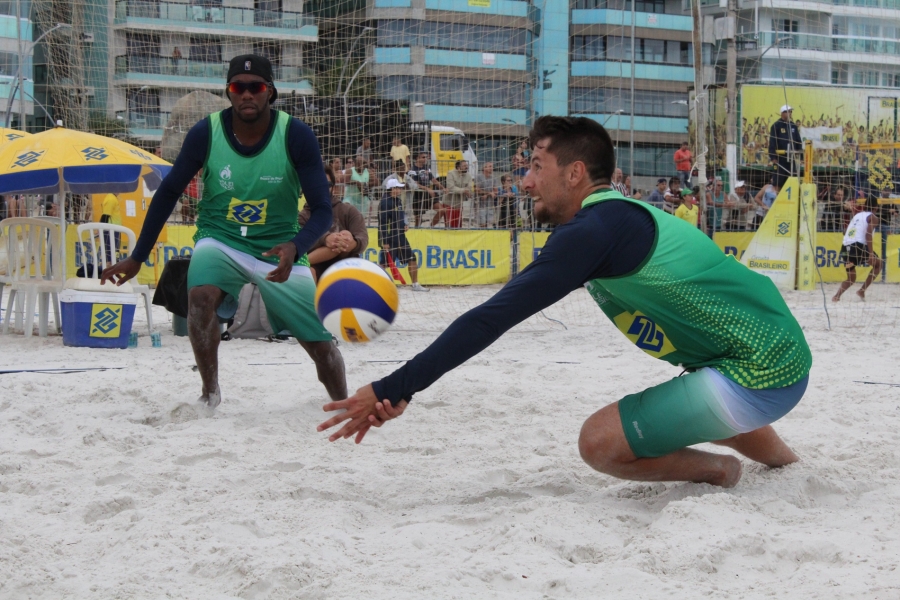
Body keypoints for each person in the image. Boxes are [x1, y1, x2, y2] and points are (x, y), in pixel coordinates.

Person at [318, 116, 812, 490]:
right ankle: (786, 469)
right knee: (700, 407)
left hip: (756, 371)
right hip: (767, 356)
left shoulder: (594, 231)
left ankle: (721, 472)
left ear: (575, 173)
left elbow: (491, 318)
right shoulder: (615, 219)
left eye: (536, 166)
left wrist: (394, 385)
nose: (525, 180)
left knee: (598, 444)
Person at [100, 54, 346, 408]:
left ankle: (344, 403)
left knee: (320, 344)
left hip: (278, 245)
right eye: (238, 87)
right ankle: (210, 393)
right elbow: (168, 193)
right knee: (199, 298)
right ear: (229, 93)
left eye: (255, 87)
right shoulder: (206, 132)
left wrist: (296, 245)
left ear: (270, 93)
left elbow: (323, 210)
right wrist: (138, 257)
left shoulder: (296, 134)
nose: (247, 94)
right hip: (220, 239)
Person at [298, 164, 368, 281]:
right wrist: (326, 239)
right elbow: (300, 242)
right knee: (308, 272)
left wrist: (352, 242)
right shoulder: (302, 216)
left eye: (326, 185)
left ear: (333, 188)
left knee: (345, 236)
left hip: (347, 264)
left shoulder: (348, 210)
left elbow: (363, 238)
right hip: (316, 265)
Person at [378, 180, 428, 292]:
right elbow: (383, 223)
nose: (400, 190)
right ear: (392, 189)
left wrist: (404, 224)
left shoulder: (398, 201)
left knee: (412, 257)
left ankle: (415, 284)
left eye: (400, 188)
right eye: (398, 188)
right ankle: (373, 283)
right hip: (390, 238)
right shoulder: (385, 203)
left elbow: (401, 216)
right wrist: (385, 241)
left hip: (400, 236)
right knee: (384, 264)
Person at [833, 198, 883, 302]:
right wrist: (870, 254)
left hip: (845, 247)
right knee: (878, 265)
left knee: (851, 278)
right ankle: (862, 290)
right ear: (876, 208)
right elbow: (868, 234)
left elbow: (845, 231)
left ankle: (836, 297)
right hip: (858, 246)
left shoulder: (857, 215)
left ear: (864, 206)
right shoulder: (873, 217)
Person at [768, 105, 802, 189]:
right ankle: (777, 199)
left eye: (791, 111)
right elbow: (772, 142)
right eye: (788, 111)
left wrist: (801, 157)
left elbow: (798, 141)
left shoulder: (793, 126)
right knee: (778, 182)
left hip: (791, 158)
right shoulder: (776, 125)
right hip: (780, 158)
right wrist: (773, 157)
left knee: (792, 181)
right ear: (782, 113)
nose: (790, 113)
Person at [408, 151, 444, 227]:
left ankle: (430, 227)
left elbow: (434, 180)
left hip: (429, 195)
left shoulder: (427, 168)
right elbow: (415, 184)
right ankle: (418, 232)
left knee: (442, 210)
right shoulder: (412, 170)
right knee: (418, 218)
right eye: (423, 157)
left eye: (426, 157)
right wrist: (427, 189)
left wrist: (443, 188)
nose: (425, 159)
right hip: (418, 196)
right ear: (417, 158)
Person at [437, 160, 472, 229]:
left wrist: (465, 190)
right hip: (449, 203)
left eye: (466, 165)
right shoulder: (451, 173)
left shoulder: (468, 176)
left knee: (458, 225)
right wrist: (464, 190)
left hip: (459, 203)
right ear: (458, 167)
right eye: (464, 166)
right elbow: (451, 187)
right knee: (449, 224)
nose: (466, 167)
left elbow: (469, 187)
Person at [345, 156, 377, 221]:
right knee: (348, 214)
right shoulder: (350, 171)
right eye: (360, 163)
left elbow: (377, 182)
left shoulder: (368, 171)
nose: (362, 164)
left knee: (360, 220)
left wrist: (366, 184)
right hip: (350, 198)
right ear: (356, 163)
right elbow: (345, 180)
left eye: (364, 163)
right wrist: (356, 182)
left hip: (363, 199)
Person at [474, 161, 500, 228]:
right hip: (480, 204)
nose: (492, 168)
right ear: (484, 168)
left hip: (490, 205)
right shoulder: (478, 177)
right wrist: (489, 193)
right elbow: (477, 190)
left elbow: (496, 191)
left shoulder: (494, 178)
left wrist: (487, 194)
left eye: (492, 167)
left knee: (489, 223)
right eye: (490, 166)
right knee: (482, 223)